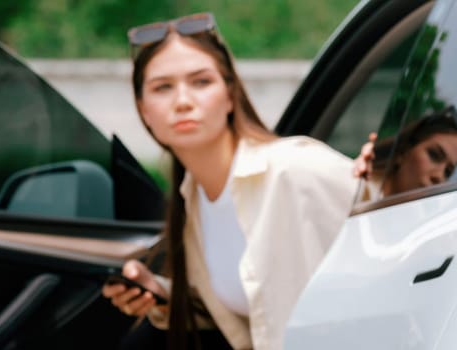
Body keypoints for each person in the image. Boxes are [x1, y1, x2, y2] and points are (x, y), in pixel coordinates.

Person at [101, 13, 356, 350]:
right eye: (163, 88)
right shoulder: (193, 199)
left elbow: (407, 231)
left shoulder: (295, 169)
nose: (183, 101)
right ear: (144, 110)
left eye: (201, 82)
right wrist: (163, 295)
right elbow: (250, 312)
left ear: (230, 94)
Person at [353, 106, 457, 201]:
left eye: (447, 172)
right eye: (434, 155)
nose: (439, 177)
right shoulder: (353, 189)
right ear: (403, 152)